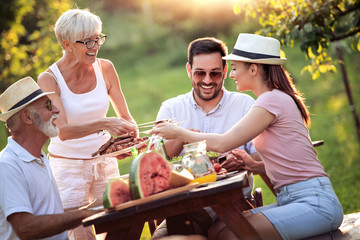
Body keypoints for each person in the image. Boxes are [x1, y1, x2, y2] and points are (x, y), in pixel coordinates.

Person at [151, 33, 344, 240]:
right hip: (294, 198)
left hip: (314, 201)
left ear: (253, 69)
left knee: (230, 235)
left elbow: (224, 142)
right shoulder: (269, 100)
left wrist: (179, 133)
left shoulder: (270, 101)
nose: (231, 75)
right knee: (218, 231)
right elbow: (286, 158)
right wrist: (253, 165)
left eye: (233, 68)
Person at [37, 8, 137, 240]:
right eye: (88, 41)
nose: (95, 46)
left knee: (120, 228)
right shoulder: (49, 79)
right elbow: (61, 131)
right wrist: (104, 123)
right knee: (81, 234)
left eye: (98, 38)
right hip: (68, 169)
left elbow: (125, 117)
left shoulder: (106, 68)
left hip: (105, 162)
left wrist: (126, 140)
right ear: (67, 44)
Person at [152, 37, 262, 238]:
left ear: (225, 71)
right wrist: (183, 138)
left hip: (235, 204)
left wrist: (241, 161)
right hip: (185, 207)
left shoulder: (245, 105)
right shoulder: (171, 108)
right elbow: (156, 161)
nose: (208, 80)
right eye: (200, 73)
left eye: (215, 73)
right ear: (188, 70)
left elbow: (262, 158)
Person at [0, 77, 101, 240]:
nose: (57, 110)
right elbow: (26, 228)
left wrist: (97, 206)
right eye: (48, 105)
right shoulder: (7, 166)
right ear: (27, 117)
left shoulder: (39, 157)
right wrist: (88, 212)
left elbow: (52, 215)